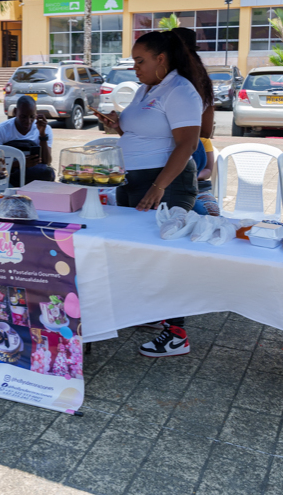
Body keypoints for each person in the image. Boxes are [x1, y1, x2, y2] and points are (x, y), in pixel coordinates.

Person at [95, 30, 210, 358]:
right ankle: (152, 312)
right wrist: (117, 125)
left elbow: (187, 143)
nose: (135, 68)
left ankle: (177, 334)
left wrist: (159, 186)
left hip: (166, 182)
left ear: (162, 59)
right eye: (134, 61)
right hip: (136, 179)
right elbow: (143, 131)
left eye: (140, 60)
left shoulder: (180, 90)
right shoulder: (148, 88)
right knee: (142, 252)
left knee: (166, 256)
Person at [0, 95, 55, 186]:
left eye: (32, 117)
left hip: (33, 180)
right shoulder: (1, 130)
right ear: (15, 112)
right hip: (8, 179)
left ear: (36, 113)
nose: (28, 121)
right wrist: (21, 163)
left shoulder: (45, 129)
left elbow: (47, 161)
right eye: (23, 117)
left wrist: (42, 135)